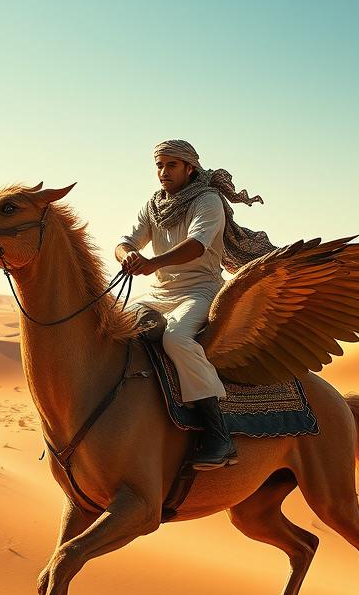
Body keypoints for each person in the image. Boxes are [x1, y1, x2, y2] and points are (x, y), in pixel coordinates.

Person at [115, 139, 274, 470]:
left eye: (171, 165)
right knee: (110, 327)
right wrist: (127, 255)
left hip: (201, 291)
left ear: (190, 167)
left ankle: (219, 436)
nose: (163, 172)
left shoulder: (208, 201)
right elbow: (127, 241)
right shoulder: (154, 205)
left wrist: (152, 262)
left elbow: (196, 246)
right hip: (158, 293)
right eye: (159, 165)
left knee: (177, 339)